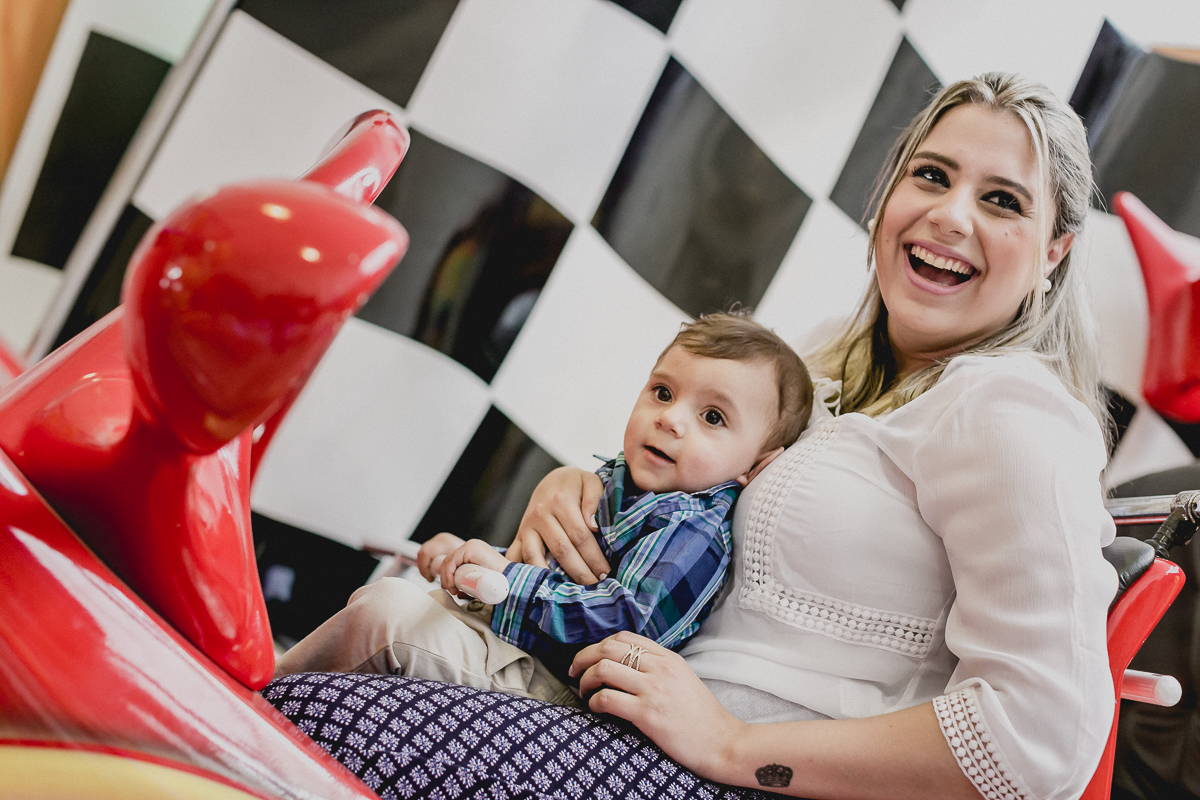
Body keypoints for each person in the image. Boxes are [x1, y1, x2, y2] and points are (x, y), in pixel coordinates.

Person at [264, 73, 1117, 800]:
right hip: (633, 723)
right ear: (887, 198)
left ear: (1054, 252)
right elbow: (711, 518)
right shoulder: (826, 364)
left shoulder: (1011, 413)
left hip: (723, 775)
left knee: (336, 715)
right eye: (931, 176)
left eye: (1002, 201)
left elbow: (1042, 737)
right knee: (376, 622)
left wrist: (733, 748)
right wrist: (583, 486)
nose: (951, 215)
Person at [273, 313, 814, 708]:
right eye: (663, 392)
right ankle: (301, 707)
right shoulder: (619, 482)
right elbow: (544, 571)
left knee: (385, 617)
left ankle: (261, 696)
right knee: (384, 602)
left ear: (754, 466)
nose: (671, 420)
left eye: (713, 417)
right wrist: (470, 568)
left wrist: (503, 579)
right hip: (516, 650)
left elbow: (626, 621)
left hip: (554, 692)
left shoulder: (692, 525)